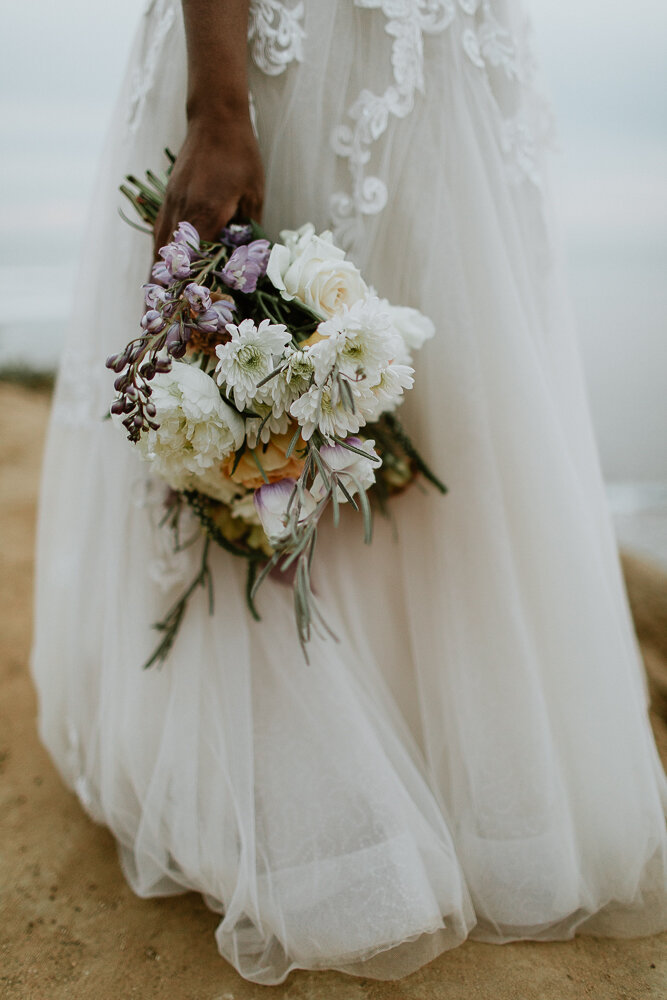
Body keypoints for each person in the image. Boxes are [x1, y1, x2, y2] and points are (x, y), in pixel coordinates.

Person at [32, 0, 667, 985]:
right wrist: (215, 103)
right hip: (287, 40)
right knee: (268, 352)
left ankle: (453, 764)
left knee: (455, 377)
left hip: (450, 57)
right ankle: (296, 790)